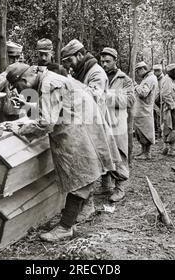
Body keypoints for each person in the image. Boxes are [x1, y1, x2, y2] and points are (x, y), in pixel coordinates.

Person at [4, 62, 120, 242]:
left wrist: (19, 128)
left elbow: (47, 123)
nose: (20, 91)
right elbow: (55, 109)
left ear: (24, 79)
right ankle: (75, 217)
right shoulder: (51, 78)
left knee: (79, 176)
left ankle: (66, 227)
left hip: (79, 132)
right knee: (84, 175)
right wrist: (27, 108)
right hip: (83, 128)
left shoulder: (49, 83)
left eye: (19, 87)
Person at [61, 39, 121, 217]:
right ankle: (86, 205)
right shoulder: (81, 70)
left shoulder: (96, 73)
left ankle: (88, 206)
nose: (68, 66)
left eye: (69, 61)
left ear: (79, 55)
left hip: (94, 126)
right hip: (82, 125)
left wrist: (70, 82)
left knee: (89, 166)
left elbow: (93, 97)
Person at [100, 47, 135, 202]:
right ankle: (105, 185)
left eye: (108, 61)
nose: (105, 64)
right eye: (102, 61)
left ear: (115, 61)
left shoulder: (124, 79)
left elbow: (130, 100)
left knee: (119, 154)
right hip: (101, 121)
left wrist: (106, 96)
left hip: (117, 123)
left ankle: (120, 188)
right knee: (103, 152)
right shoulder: (99, 76)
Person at [134, 61, 158, 160]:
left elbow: (143, 93)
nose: (137, 73)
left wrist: (135, 86)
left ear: (143, 69)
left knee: (145, 132)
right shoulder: (148, 78)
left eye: (138, 70)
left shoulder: (150, 79)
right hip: (142, 109)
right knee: (141, 131)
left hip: (144, 110)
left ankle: (147, 153)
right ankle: (143, 151)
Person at [160, 63, 175, 157]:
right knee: (173, 127)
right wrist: (172, 105)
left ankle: (166, 147)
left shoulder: (170, 80)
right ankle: (170, 149)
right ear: (172, 71)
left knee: (168, 126)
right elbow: (165, 94)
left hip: (170, 106)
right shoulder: (167, 80)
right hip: (170, 107)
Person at [153, 64, 164, 138]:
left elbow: (161, 92)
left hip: (160, 102)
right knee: (156, 117)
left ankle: (160, 132)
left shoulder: (163, 79)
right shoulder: (155, 78)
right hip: (155, 101)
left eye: (156, 71)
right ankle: (157, 131)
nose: (155, 73)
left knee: (160, 117)